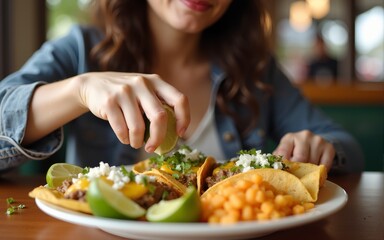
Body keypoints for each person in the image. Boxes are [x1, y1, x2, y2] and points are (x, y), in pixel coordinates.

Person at [0, 0, 364, 173]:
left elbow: (348, 148)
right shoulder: (81, 48)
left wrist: (320, 148)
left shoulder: (254, 68)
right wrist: (79, 90)